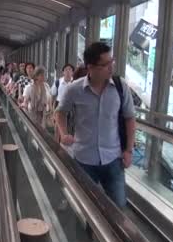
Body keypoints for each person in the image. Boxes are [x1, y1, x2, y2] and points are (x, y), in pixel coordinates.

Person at [55, 42, 136, 208]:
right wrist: (63, 134)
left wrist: (128, 150)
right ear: (90, 67)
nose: (111, 68)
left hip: (114, 159)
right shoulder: (74, 90)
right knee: (84, 207)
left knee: (118, 208)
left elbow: (130, 118)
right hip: (84, 159)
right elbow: (60, 111)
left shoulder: (120, 87)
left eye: (111, 62)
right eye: (105, 64)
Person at [51, 64, 75, 141]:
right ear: (63, 72)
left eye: (70, 70)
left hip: (71, 107)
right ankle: (56, 147)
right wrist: (52, 110)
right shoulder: (58, 82)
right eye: (66, 70)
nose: (68, 71)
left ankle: (64, 147)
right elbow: (53, 95)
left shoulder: (74, 83)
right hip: (59, 105)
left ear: (72, 72)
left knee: (69, 128)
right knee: (57, 128)